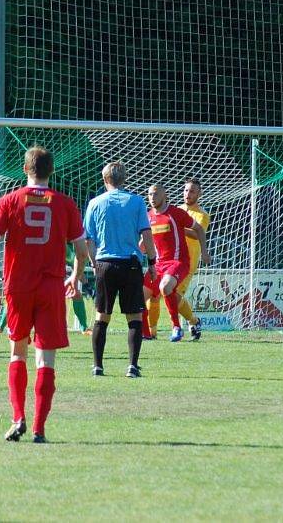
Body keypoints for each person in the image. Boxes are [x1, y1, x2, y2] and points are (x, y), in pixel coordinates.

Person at [0, 146, 88, 444]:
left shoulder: (9, 200)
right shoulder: (65, 204)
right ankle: (39, 429)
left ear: (25, 169)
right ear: (51, 171)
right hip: (51, 287)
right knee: (46, 360)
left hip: (18, 286)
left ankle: (18, 417)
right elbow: (81, 251)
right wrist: (75, 278)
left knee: (18, 352)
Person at [83, 161, 157, 378]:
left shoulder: (95, 203)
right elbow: (146, 234)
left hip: (104, 264)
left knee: (101, 316)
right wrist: (152, 263)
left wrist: (94, 263)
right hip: (130, 264)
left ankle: (98, 366)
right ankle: (132, 367)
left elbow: (88, 239)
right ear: (124, 179)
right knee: (134, 317)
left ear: (105, 179)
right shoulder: (136, 202)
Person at [144, 178, 211, 340]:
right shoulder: (173, 210)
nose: (188, 194)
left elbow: (197, 233)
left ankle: (191, 322)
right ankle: (151, 331)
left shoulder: (201, 215)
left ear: (199, 194)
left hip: (185, 262)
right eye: (186, 190)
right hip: (163, 261)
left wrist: (179, 227)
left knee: (171, 293)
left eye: (193, 191)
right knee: (153, 295)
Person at [0, 242, 92, 336]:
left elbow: (76, 267)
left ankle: (84, 328)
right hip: (33, 277)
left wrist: (85, 284)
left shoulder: (65, 248)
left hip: (50, 282)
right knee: (15, 295)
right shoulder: (36, 244)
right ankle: (0, 327)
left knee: (75, 293)